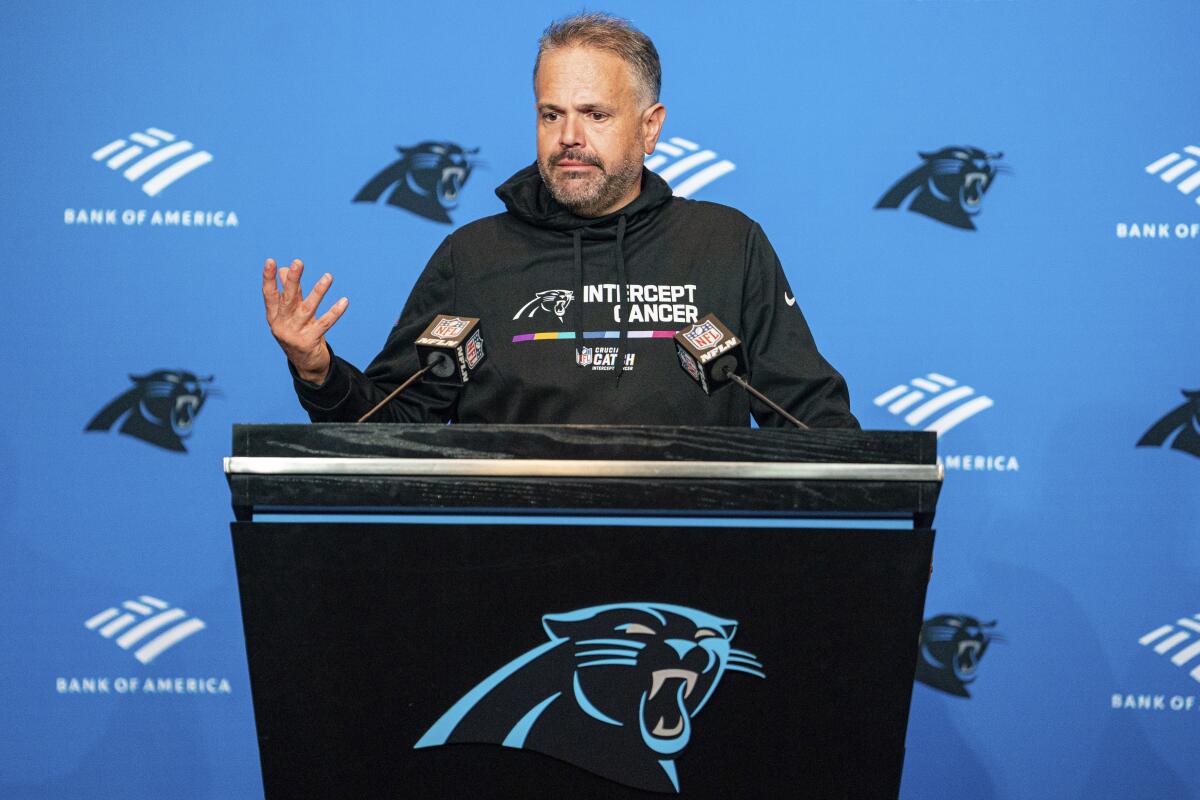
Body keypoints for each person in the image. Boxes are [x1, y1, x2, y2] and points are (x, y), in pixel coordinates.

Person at [262, 12, 859, 429]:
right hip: (502, 570)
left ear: (650, 127)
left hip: (690, 566)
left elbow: (812, 423)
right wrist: (318, 373)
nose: (569, 138)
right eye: (552, 115)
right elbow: (390, 424)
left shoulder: (728, 245)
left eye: (595, 114)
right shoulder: (472, 258)